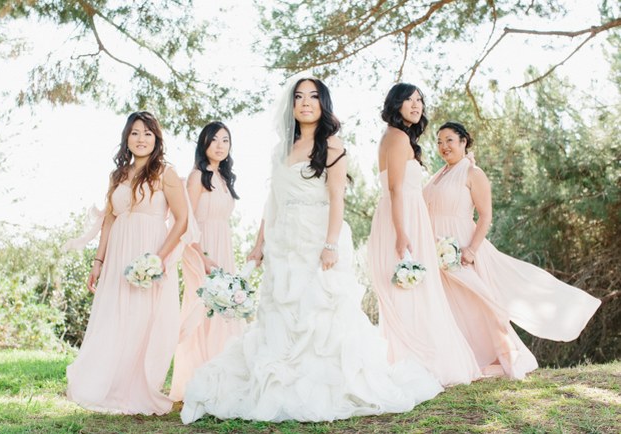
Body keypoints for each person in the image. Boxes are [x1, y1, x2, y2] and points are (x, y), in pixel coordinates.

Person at [180, 77, 442, 424]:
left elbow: (337, 198)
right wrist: (259, 245)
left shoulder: (332, 145)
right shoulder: (281, 149)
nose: (305, 102)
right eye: (299, 96)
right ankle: (279, 377)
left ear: (323, 104)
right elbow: (272, 200)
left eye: (313, 96)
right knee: (279, 310)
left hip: (318, 236)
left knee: (318, 311)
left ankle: (321, 382)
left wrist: (331, 243)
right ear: (291, 106)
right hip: (283, 238)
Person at [423, 121, 601, 378]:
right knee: (451, 304)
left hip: (462, 246)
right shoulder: (438, 175)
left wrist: (471, 250)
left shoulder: (473, 173)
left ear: (463, 142)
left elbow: (485, 216)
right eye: (439, 142)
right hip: (437, 248)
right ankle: (459, 359)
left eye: (449, 140)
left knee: (481, 303)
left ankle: (504, 355)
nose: (443, 146)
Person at [65, 111, 189, 415]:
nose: (141, 139)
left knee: (141, 319)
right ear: (127, 138)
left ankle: (133, 388)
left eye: (147, 133)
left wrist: (158, 259)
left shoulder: (166, 173)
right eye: (135, 133)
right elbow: (109, 219)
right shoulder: (118, 175)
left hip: (149, 253)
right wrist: (99, 260)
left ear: (156, 138)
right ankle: (105, 383)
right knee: (113, 317)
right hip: (118, 253)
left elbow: (182, 219)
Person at [367, 83, 482, 386]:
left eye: (419, 100)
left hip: (409, 215)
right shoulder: (396, 137)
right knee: (408, 289)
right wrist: (402, 232)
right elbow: (394, 188)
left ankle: (416, 360)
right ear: (396, 104)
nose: (416, 105)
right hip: (401, 218)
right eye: (409, 100)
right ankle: (411, 361)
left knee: (416, 290)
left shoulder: (402, 138)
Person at [169, 121, 245, 401]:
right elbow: (187, 220)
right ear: (204, 144)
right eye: (214, 140)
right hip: (199, 249)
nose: (220, 145)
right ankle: (197, 380)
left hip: (222, 247)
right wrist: (203, 258)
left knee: (225, 311)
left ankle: (224, 380)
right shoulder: (197, 176)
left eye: (225, 140)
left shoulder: (225, 178)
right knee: (201, 310)